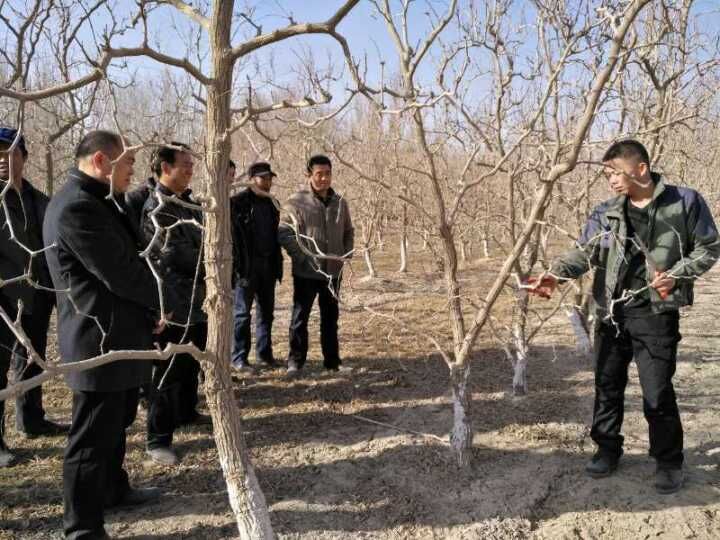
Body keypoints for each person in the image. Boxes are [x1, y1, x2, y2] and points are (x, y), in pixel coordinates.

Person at [529, 139, 720, 494]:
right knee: (607, 384)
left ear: (641, 168)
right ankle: (606, 449)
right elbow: (585, 253)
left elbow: (709, 247)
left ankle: (668, 461)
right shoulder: (606, 211)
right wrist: (555, 275)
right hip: (610, 311)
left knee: (657, 390)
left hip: (656, 312)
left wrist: (677, 275)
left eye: (616, 172)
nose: (611, 180)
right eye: (607, 175)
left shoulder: (685, 202)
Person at [43, 130, 166, 539]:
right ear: (101, 160)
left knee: (116, 423)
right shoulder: (76, 207)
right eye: (127, 163)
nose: (132, 171)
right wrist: (164, 303)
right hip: (97, 340)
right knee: (91, 437)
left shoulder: (99, 200)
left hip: (120, 334)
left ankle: (113, 489)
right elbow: (120, 273)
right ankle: (82, 528)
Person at [0, 127, 68, 468]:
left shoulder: (40, 200)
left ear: (24, 157)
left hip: (37, 295)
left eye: (10, 152)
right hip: (3, 299)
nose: (3, 159)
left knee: (32, 359)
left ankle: (31, 419)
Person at [141, 143, 210, 466]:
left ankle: (186, 413)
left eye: (192, 164)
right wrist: (212, 258)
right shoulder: (156, 207)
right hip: (170, 301)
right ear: (165, 167)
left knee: (190, 364)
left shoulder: (188, 203)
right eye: (185, 164)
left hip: (196, 299)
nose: (191, 169)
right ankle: (158, 439)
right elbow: (170, 254)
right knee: (166, 372)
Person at [278, 154, 354, 376]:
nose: (324, 178)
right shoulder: (296, 202)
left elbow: (349, 231)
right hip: (306, 272)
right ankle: (295, 362)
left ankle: (332, 362)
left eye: (327, 174)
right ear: (309, 175)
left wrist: (346, 253)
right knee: (300, 318)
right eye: (319, 174)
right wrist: (302, 256)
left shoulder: (340, 202)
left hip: (333, 272)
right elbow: (284, 233)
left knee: (330, 319)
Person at [230, 161, 283, 370]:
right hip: (246, 268)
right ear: (251, 180)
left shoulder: (273, 203)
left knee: (266, 313)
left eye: (269, 178)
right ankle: (239, 358)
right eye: (263, 178)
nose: (268, 182)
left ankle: (265, 355)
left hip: (268, 266)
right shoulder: (237, 203)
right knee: (242, 315)